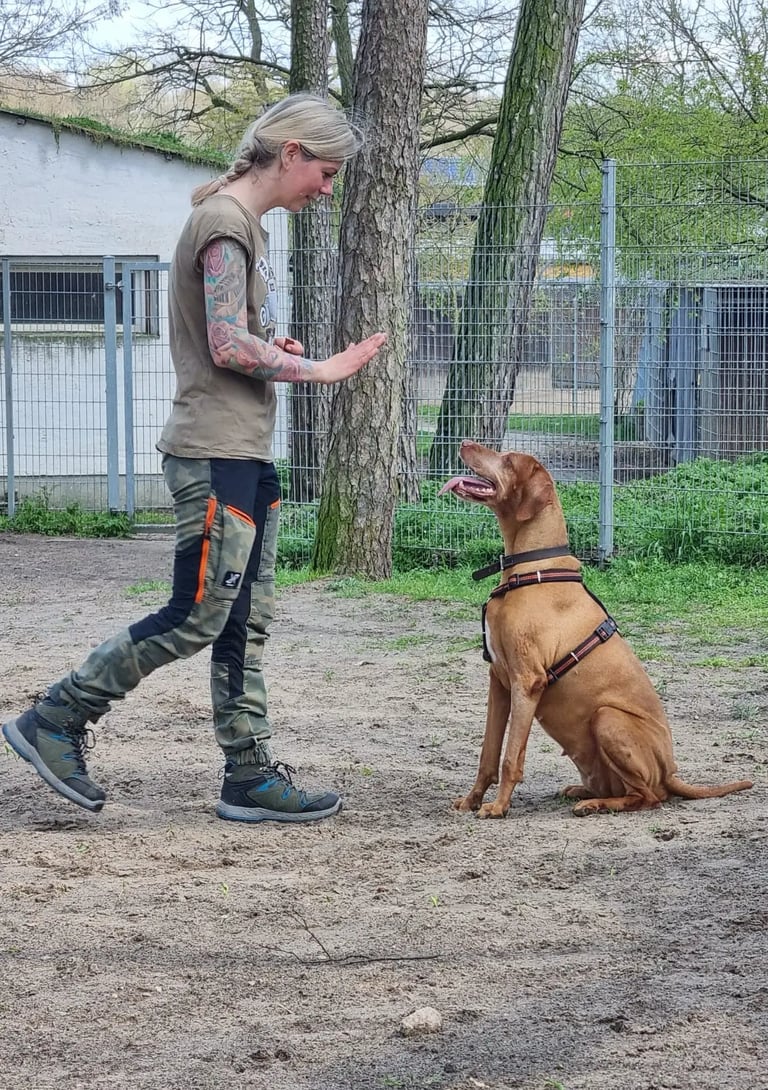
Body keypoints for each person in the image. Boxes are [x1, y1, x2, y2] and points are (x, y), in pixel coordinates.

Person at [2, 93, 387, 825]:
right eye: (327, 173)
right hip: (213, 453)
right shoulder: (223, 221)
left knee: (244, 620)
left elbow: (237, 341)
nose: (327, 191)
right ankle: (56, 717)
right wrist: (323, 369)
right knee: (197, 614)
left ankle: (247, 776)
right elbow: (225, 343)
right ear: (293, 153)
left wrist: (281, 353)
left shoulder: (241, 225)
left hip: (242, 448)